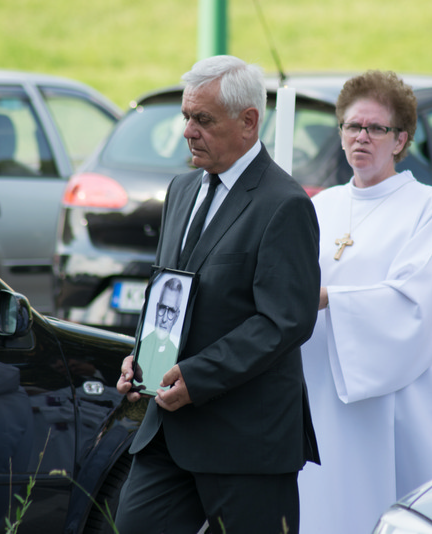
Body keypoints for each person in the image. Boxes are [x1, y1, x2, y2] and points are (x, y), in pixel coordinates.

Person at [114, 55, 321, 534]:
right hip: (168, 431)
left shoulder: (284, 204)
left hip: (245, 441)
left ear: (248, 122)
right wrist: (142, 358)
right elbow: (169, 290)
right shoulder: (182, 189)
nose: (188, 131)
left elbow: (285, 321)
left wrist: (197, 376)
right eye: (186, 116)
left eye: (203, 119)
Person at [297, 70, 432, 534]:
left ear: (401, 139)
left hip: (401, 398)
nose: (361, 137)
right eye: (352, 126)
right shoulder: (322, 206)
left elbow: (418, 306)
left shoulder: (426, 207)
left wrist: (330, 299)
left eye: (376, 128)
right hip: (326, 391)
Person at [135, 276, 183, 394]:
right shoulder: (142, 347)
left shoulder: (176, 353)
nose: (164, 319)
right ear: (156, 308)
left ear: (176, 316)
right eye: (162, 308)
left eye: (171, 311)